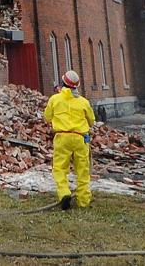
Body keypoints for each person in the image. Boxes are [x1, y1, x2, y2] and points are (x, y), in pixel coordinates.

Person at [43, 69, 95, 210]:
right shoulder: (84, 102)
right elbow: (91, 121)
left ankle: (64, 193)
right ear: (76, 86)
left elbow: (47, 117)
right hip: (80, 138)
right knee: (82, 170)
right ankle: (83, 201)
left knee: (60, 168)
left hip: (62, 137)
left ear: (62, 83)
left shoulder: (55, 99)